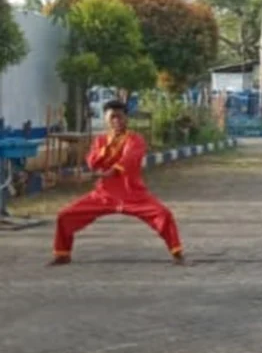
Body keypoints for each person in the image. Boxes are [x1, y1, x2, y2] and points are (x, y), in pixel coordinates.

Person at [49, 100, 186, 266]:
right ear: (106, 119)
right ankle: (62, 254)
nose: (116, 121)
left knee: (163, 214)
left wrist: (112, 170)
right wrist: (105, 150)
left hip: (133, 192)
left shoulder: (135, 139)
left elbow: (129, 158)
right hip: (104, 194)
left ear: (126, 118)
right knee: (65, 215)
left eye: (120, 117)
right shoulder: (100, 141)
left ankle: (177, 253)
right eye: (112, 117)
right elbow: (92, 162)